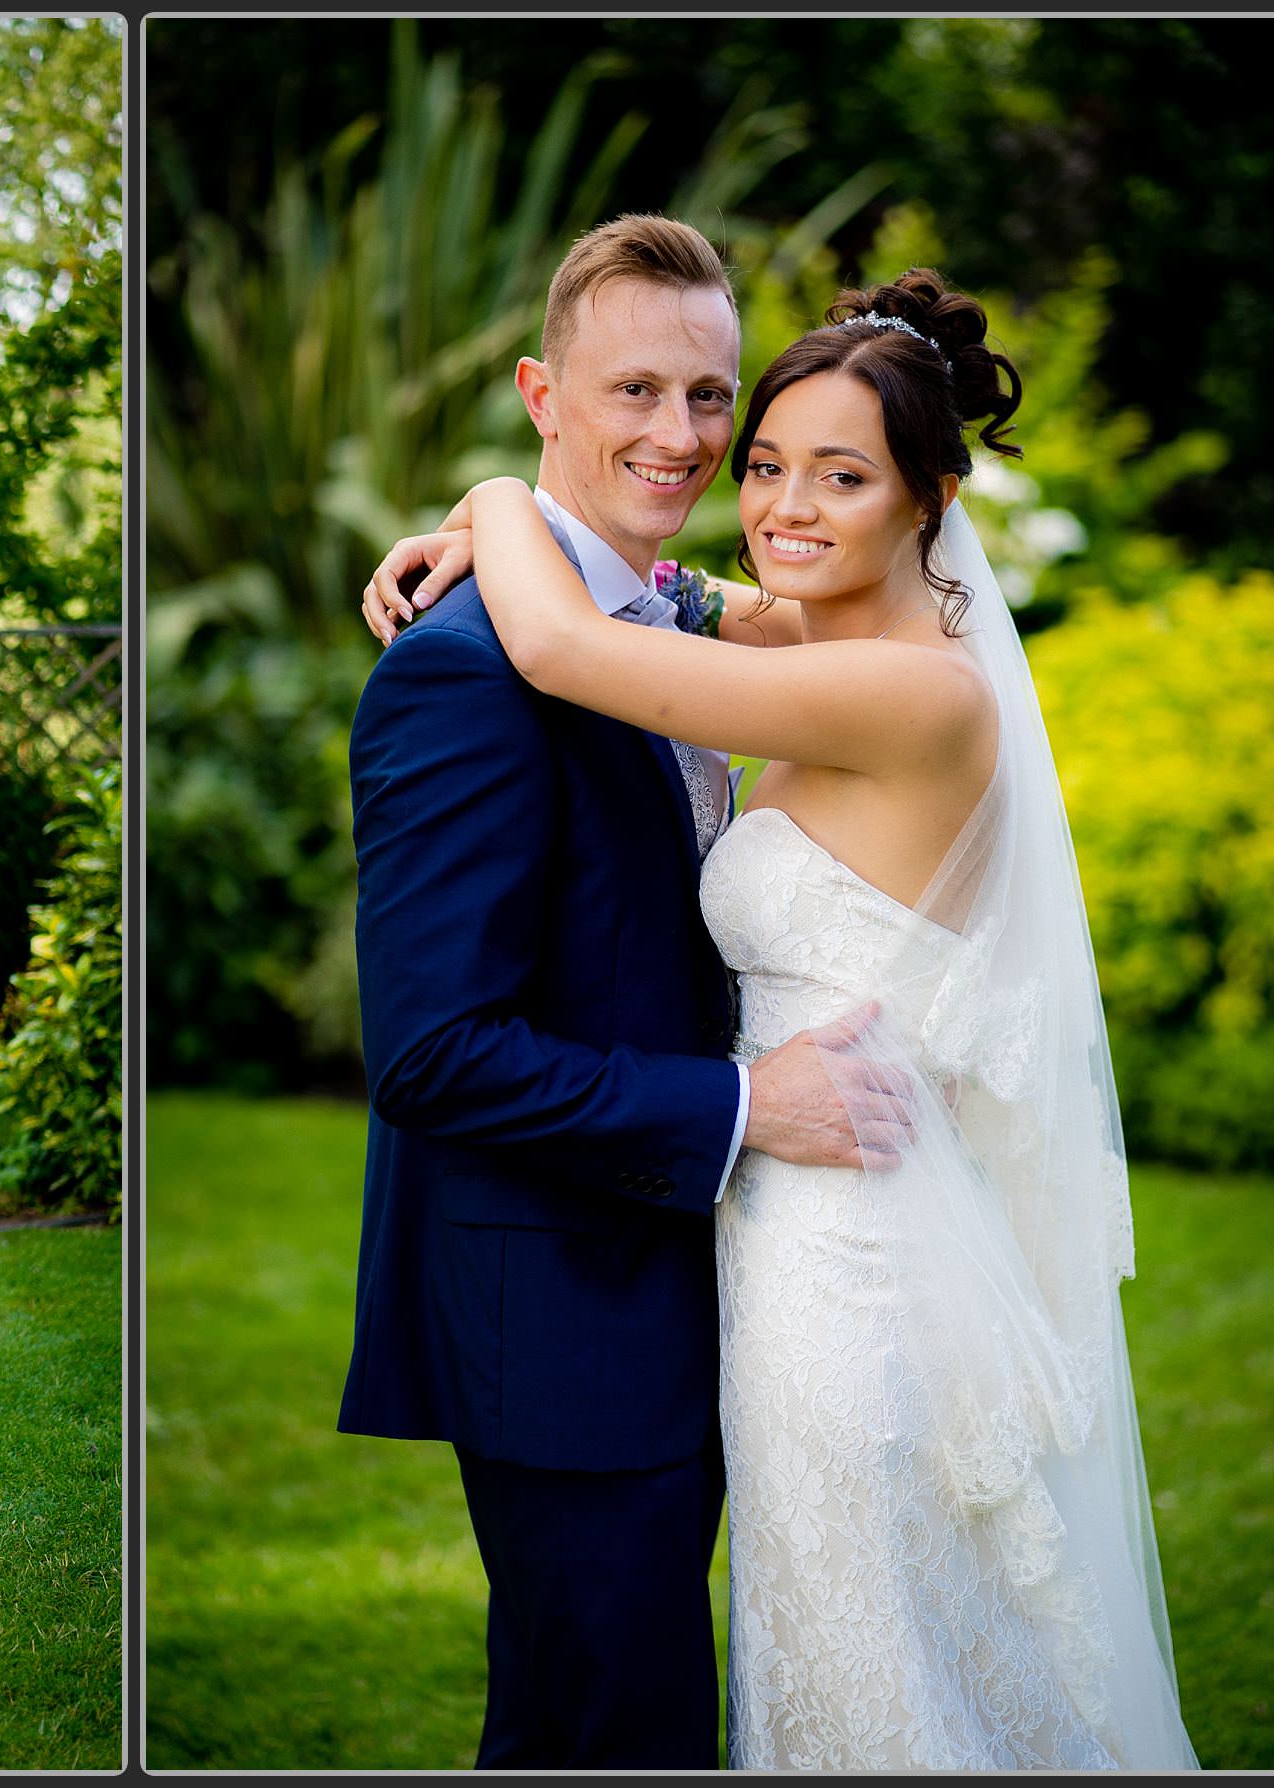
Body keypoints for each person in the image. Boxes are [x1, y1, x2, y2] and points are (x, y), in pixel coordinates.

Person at [365, 264, 1198, 1767]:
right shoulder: (818, 638)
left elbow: (575, 649)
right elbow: (671, 599)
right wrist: (515, 524)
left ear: (931, 497)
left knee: (872, 1678)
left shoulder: (916, 697)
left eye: (841, 474)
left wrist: (494, 498)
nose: (777, 500)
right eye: (765, 464)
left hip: (850, 1274)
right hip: (753, 1250)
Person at [338, 215, 906, 1770]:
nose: (680, 435)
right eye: (636, 390)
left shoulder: (650, 618)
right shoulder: (468, 667)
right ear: (543, 392)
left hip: (679, 1282)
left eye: (712, 397)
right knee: (609, 1726)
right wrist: (748, 1104)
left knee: (616, 1715)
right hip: (563, 1320)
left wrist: (492, 509)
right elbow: (435, 1053)